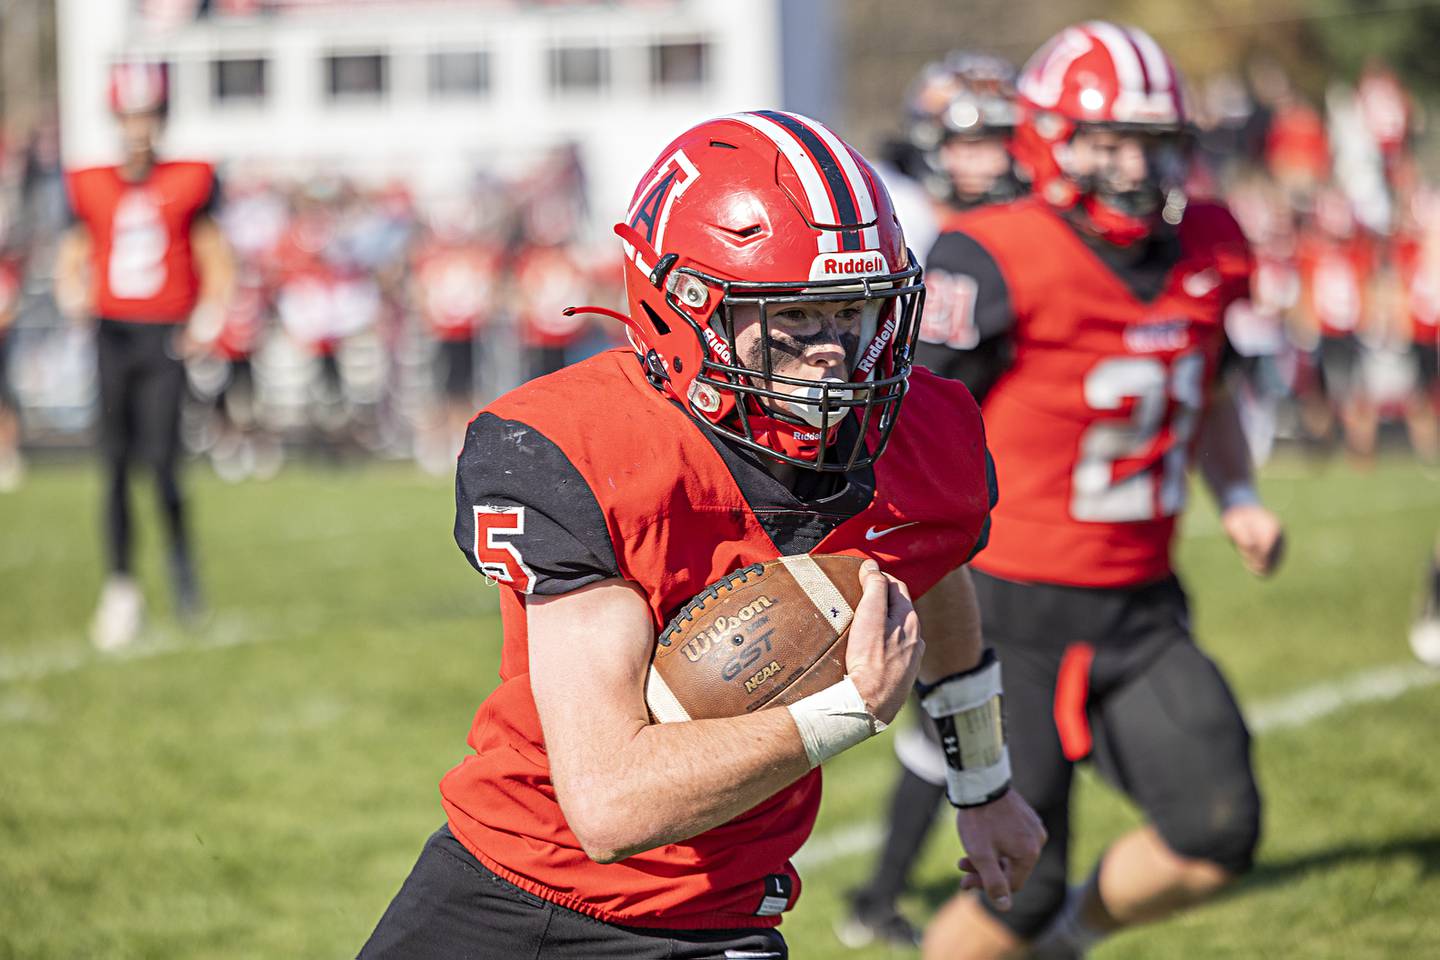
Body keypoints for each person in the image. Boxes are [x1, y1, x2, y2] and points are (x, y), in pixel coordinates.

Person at [358, 111, 1045, 959]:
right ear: (683, 307)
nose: (836, 356)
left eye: (855, 314)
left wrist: (983, 785)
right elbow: (610, 805)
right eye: (797, 320)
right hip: (510, 889)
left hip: (715, 918)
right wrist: (847, 711)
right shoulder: (582, 448)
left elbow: (926, 565)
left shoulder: (916, 438)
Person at [913, 24, 1285, 959]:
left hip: (1141, 610)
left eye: (1150, 142)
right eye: (1107, 140)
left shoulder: (1211, 242)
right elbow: (908, 427)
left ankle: (1068, 944)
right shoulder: (992, 252)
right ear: (1047, 138)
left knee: (1217, 829)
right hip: (1006, 612)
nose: (1131, 165)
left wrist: (1235, 491)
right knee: (1014, 891)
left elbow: (1206, 389)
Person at [838, 51, 1029, 951]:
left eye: (1003, 135)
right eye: (973, 137)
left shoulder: (1010, 229)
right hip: (918, 485)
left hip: (980, 487)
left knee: (950, 697)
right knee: (951, 691)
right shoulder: (917, 225)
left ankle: (879, 891)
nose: (991, 156)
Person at [55, 61, 234, 649]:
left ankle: (181, 568)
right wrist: (72, 293)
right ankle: (121, 584)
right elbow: (74, 252)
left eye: (148, 116)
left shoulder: (189, 178)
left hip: (164, 333)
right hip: (113, 331)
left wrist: (207, 317)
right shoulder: (91, 181)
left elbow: (214, 254)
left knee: (160, 465)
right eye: (131, 116)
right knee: (111, 465)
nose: (139, 128)